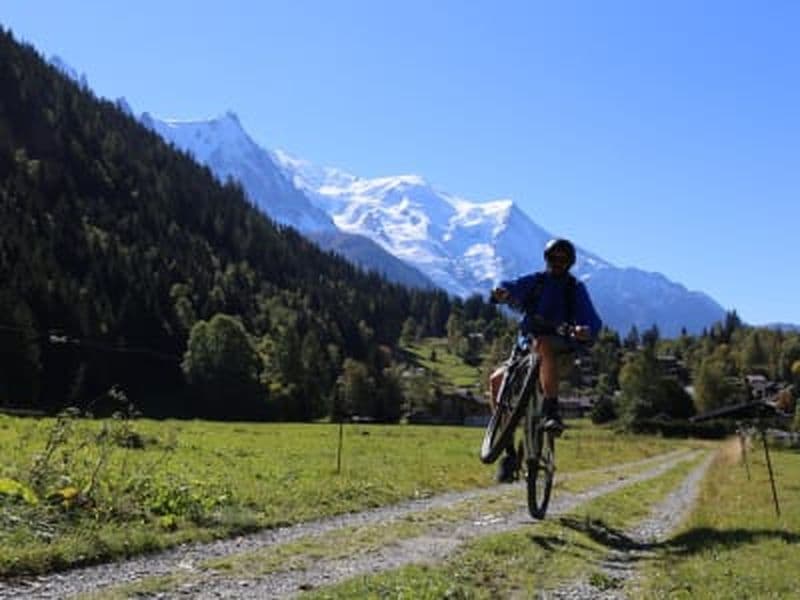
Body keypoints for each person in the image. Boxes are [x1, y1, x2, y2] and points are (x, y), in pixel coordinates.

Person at [490, 238, 602, 482]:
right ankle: (507, 450)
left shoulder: (575, 289)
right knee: (496, 381)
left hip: (560, 352)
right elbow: (511, 286)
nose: (558, 263)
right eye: (554, 258)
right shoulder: (536, 282)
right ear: (547, 259)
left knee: (543, 343)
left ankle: (551, 410)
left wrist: (584, 330)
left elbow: (592, 321)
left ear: (570, 263)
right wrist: (501, 291)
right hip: (525, 351)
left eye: (563, 259)